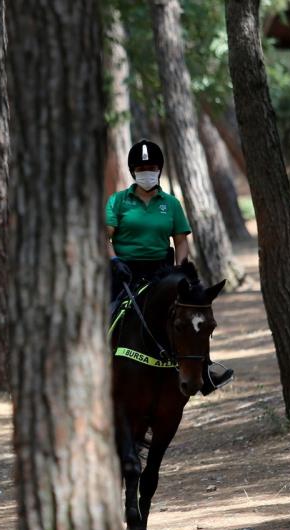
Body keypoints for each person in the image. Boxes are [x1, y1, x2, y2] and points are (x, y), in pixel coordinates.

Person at [106, 139, 233, 394]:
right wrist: (115, 261)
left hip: (161, 272)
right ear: (133, 171)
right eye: (141, 169)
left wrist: (180, 269)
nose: (146, 173)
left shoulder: (171, 204)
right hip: (124, 272)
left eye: (151, 167)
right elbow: (105, 236)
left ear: (159, 169)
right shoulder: (118, 201)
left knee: (193, 316)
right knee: (103, 313)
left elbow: (181, 241)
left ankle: (205, 370)